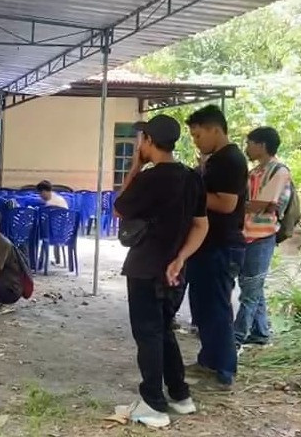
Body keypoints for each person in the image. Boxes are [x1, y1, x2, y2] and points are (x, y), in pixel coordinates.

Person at [112, 115, 209, 427]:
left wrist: (137, 166)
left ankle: (152, 404)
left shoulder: (150, 178)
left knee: (148, 334)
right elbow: (201, 225)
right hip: (175, 270)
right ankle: (180, 396)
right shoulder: (192, 177)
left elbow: (119, 207)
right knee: (163, 330)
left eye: (142, 140)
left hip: (145, 268)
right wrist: (181, 258)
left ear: (148, 142)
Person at [184, 105, 248, 390]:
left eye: (198, 135)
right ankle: (208, 360)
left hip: (222, 245)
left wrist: (193, 191)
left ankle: (224, 368)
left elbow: (226, 203)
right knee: (203, 306)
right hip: (206, 244)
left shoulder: (230, 160)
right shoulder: (215, 159)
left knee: (217, 308)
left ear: (214, 129)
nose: (196, 141)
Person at [235, 127, 290, 352]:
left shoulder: (279, 171)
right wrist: (253, 205)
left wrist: (244, 205)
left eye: (250, 143)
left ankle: (235, 338)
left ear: (262, 145)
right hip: (248, 234)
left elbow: (258, 203)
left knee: (249, 291)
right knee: (251, 285)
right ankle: (260, 333)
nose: (247, 148)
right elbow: (256, 203)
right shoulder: (255, 172)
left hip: (263, 236)